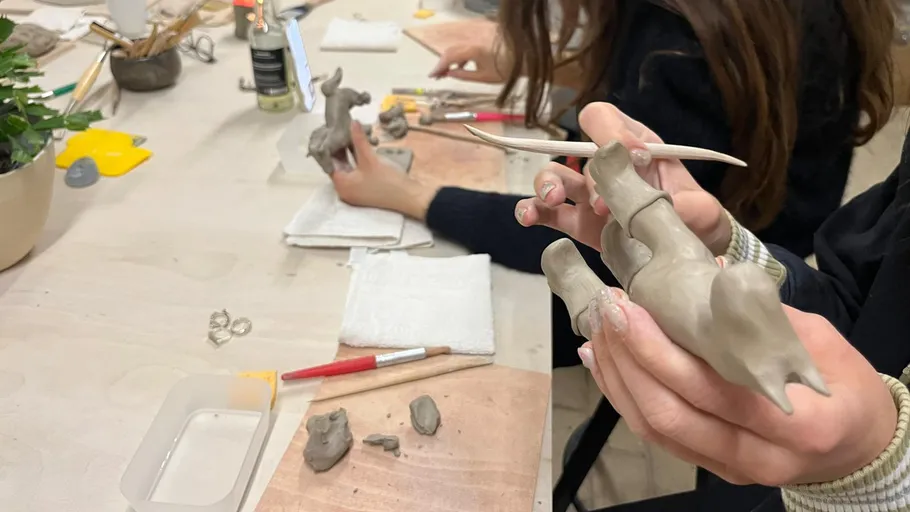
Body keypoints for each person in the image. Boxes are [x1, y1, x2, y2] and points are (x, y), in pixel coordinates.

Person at [333, 0, 895, 368]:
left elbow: (599, 242)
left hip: (718, 307)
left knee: (474, 324)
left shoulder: (677, 41)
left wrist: (407, 195)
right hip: (776, 264)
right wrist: (527, 62)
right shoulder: (741, 22)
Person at [526, 101, 910, 510]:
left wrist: (880, 483)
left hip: (810, 480)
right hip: (784, 449)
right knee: (656, 286)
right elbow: (863, 307)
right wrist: (729, 248)